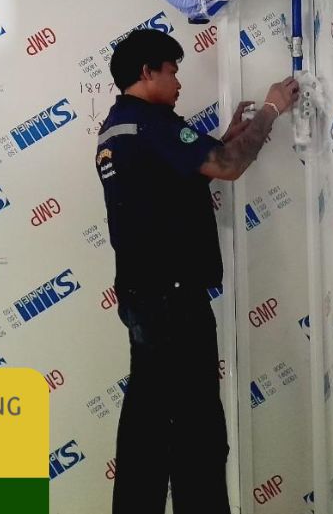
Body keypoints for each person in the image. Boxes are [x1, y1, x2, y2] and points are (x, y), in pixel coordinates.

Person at [95, 28, 300, 514]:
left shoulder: (117, 128)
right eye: (172, 71)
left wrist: (226, 137)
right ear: (146, 72)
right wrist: (271, 110)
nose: (179, 82)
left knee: (147, 430)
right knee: (198, 432)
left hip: (145, 301)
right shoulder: (152, 124)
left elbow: (172, 180)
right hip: (173, 306)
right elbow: (227, 166)